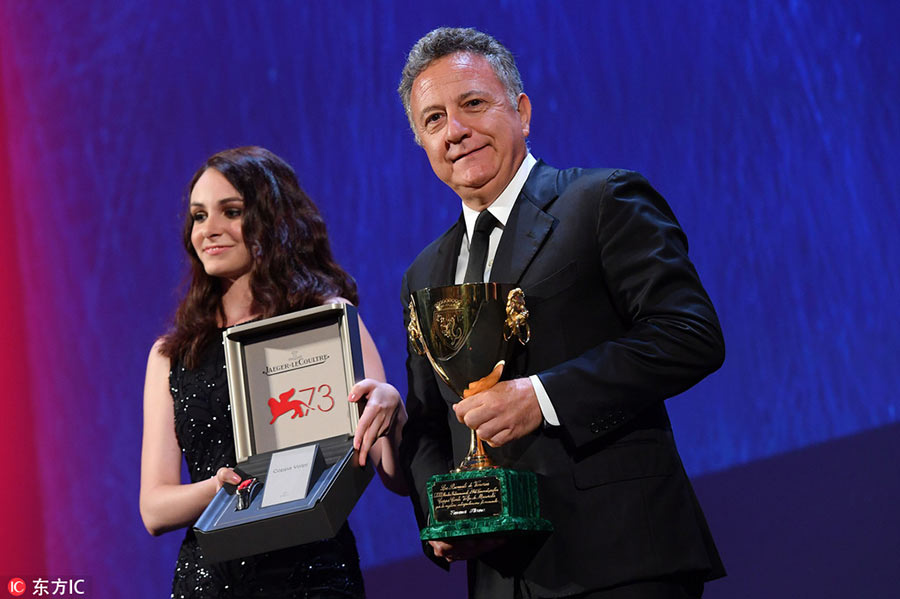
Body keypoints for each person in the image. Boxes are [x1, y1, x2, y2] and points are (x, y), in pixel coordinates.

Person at [398, 28, 725, 598]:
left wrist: (543, 398)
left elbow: (688, 333)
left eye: (473, 104)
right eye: (433, 120)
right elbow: (429, 425)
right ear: (422, 144)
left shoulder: (602, 200)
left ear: (521, 112)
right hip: (502, 576)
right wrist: (444, 516)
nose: (455, 131)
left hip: (621, 558)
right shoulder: (424, 275)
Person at [139, 146, 407, 598]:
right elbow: (154, 508)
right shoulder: (172, 354)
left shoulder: (328, 321)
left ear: (271, 219)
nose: (210, 230)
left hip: (316, 576)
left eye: (232, 211)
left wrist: (392, 411)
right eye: (199, 216)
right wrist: (219, 486)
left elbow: (394, 477)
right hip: (211, 582)